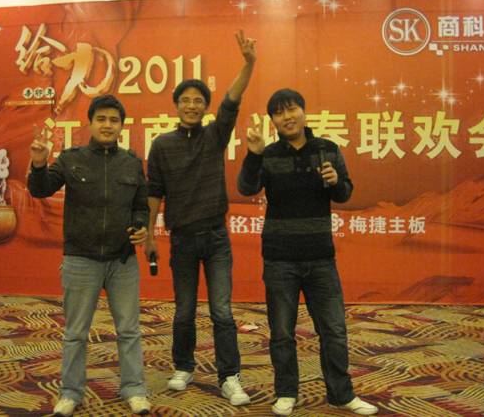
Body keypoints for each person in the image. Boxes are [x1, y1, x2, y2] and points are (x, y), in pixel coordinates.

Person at [237, 88, 379, 416]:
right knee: (282, 332)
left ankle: (341, 394)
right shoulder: (269, 154)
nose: (287, 117)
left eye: (292, 109)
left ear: (303, 112)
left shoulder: (327, 149)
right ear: (273, 121)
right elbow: (246, 188)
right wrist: (253, 155)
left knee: (334, 330)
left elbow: (345, 193)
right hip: (279, 258)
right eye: (279, 113)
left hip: (320, 257)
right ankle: (286, 392)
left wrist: (335, 181)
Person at [144, 30, 256, 406]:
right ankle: (183, 366)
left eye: (198, 101)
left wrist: (249, 64)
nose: (192, 105)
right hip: (182, 239)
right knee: (184, 311)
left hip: (216, 237)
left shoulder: (214, 136)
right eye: (186, 100)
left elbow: (232, 100)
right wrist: (149, 235)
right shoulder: (161, 145)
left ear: (205, 108)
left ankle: (230, 377)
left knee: (222, 311)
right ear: (177, 106)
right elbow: (154, 193)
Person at [27, 94, 152, 416]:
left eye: (114, 120)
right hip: (80, 259)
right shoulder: (72, 159)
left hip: (123, 260)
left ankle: (134, 388)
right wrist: (38, 164)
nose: (107, 125)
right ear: (91, 123)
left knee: (129, 330)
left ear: (121, 126)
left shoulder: (131, 163)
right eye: (102, 119)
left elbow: (140, 206)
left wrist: (140, 227)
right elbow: (40, 189)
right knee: (75, 333)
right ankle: (70, 392)